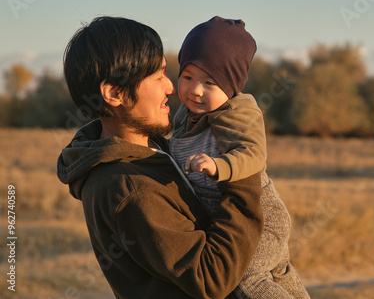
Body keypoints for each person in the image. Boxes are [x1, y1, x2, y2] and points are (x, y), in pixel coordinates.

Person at [56, 16, 264, 299]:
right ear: (115, 93)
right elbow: (211, 278)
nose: (170, 87)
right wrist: (242, 172)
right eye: (156, 77)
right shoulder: (130, 187)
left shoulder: (146, 153)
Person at [169, 16, 310, 298]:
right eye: (188, 77)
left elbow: (254, 154)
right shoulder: (185, 115)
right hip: (233, 217)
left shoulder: (238, 111)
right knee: (280, 275)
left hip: (262, 217)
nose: (195, 90)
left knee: (247, 278)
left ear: (231, 86)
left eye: (209, 82)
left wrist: (220, 165)